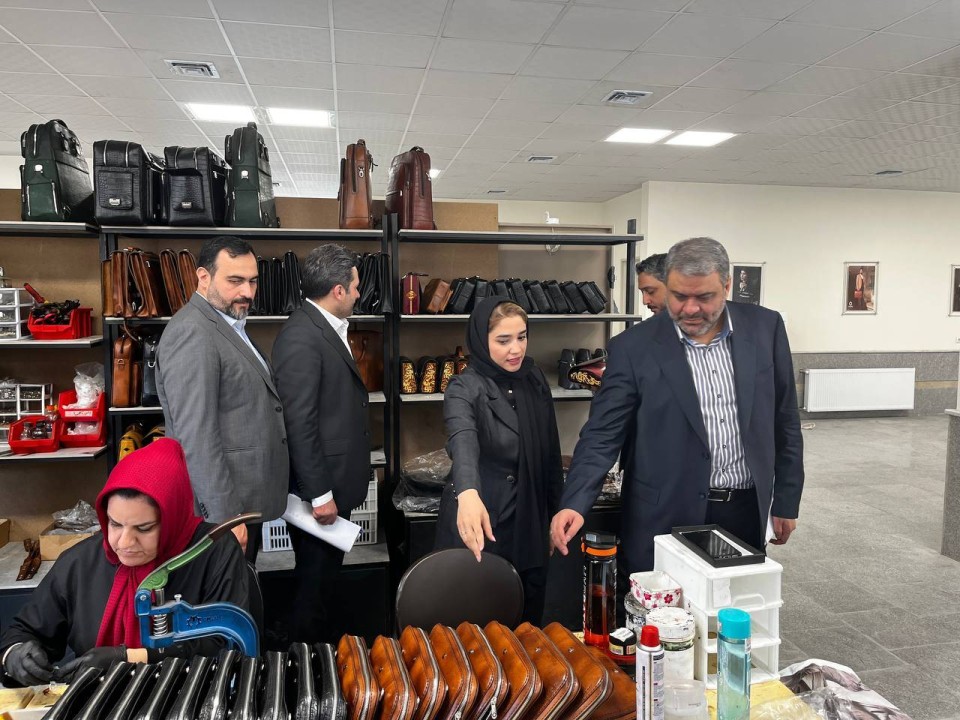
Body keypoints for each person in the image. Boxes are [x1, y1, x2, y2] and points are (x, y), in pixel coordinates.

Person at [551, 237, 804, 577]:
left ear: (727, 286)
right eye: (679, 296)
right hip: (665, 511)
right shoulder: (632, 347)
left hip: (744, 509)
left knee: (733, 602)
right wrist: (575, 502)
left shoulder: (765, 328)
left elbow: (785, 419)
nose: (690, 309)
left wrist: (786, 499)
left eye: (704, 297)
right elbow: (601, 435)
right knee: (666, 605)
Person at [0, 439, 249, 686]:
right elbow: (24, 631)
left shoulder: (213, 551)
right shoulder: (80, 563)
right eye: (115, 524)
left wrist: (129, 658)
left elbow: (227, 645)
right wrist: (16, 655)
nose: (125, 542)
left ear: (172, 518)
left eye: (144, 528)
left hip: (191, 694)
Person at [156, 236, 288, 562]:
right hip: (224, 512)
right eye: (235, 280)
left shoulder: (228, 324)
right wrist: (226, 517)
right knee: (227, 591)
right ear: (204, 277)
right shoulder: (193, 332)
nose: (247, 292)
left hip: (245, 500)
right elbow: (196, 436)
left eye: (252, 281)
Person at [434, 297, 563, 624]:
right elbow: (462, 440)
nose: (515, 349)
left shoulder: (534, 380)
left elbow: (550, 452)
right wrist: (468, 493)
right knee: (476, 626)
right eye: (503, 340)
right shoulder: (464, 387)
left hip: (529, 522)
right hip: (481, 521)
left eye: (521, 337)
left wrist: (554, 514)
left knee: (526, 625)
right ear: (481, 339)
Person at [272, 244, 369, 644]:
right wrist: (320, 494)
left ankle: (317, 655)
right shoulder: (302, 337)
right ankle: (305, 663)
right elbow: (298, 423)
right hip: (319, 495)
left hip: (331, 485)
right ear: (338, 290)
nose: (359, 293)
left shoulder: (323, 327)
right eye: (355, 286)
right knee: (313, 593)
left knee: (323, 587)